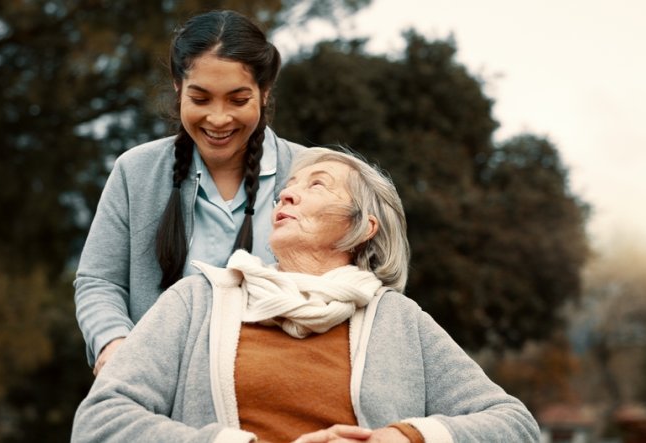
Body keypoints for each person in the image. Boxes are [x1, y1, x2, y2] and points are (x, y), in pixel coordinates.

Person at [71, 147, 540, 442]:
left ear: (363, 227)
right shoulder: (197, 300)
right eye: (287, 188)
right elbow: (100, 421)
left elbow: (514, 425)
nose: (286, 197)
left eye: (316, 186)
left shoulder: (399, 319)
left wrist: (403, 438)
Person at [74, 10, 304, 374]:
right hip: (160, 386)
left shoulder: (313, 173)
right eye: (200, 99)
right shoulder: (135, 171)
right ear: (178, 88)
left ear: (264, 93)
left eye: (238, 100)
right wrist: (113, 343)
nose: (218, 118)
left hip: (280, 385)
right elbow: (100, 281)